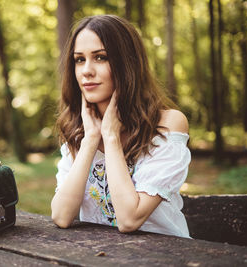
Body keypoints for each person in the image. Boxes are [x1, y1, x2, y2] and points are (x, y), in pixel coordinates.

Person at [51, 15, 191, 238]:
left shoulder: (167, 124)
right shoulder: (79, 129)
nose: (86, 70)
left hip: (166, 256)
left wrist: (111, 136)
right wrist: (90, 141)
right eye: (79, 59)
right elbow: (61, 216)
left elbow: (129, 219)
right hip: (100, 256)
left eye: (100, 57)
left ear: (127, 63)